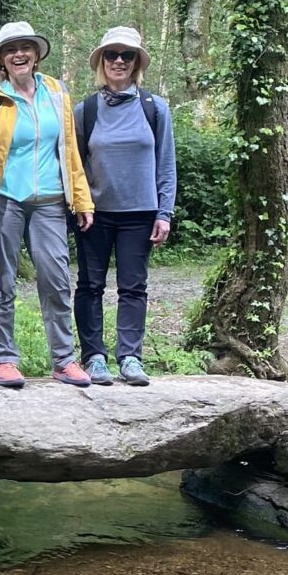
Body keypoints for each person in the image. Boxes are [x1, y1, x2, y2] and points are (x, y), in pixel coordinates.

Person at [0, 21, 94, 389]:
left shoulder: (56, 91)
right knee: (1, 281)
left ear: (37, 54)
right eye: (11, 49)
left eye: (25, 47)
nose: (19, 54)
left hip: (51, 203)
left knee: (56, 279)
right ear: (2, 59)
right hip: (5, 200)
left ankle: (63, 359)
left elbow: (70, 149)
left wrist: (82, 198)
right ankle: (4, 360)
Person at [73, 26, 175, 387]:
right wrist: (80, 203)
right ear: (102, 61)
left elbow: (166, 163)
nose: (119, 61)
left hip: (140, 213)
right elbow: (76, 165)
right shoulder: (85, 110)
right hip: (94, 213)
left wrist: (165, 212)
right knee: (90, 285)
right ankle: (94, 357)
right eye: (112, 55)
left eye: (126, 55)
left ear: (136, 63)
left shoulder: (155, 108)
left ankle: (130, 357)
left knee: (133, 287)